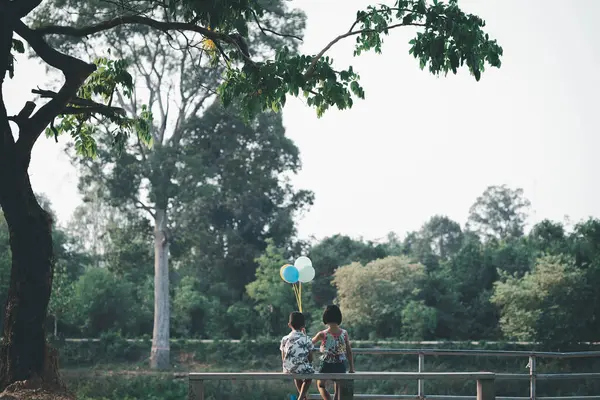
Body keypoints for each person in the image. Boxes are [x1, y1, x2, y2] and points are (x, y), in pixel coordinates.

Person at [312, 305, 354, 400]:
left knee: (320, 384)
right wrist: (351, 368)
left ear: (325, 317)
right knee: (338, 388)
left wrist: (304, 334)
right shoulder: (344, 333)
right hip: (340, 364)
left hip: (326, 364)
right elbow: (349, 351)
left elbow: (310, 343)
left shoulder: (322, 334)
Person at [280, 311, 314, 400]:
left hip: (288, 368)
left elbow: (283, 358)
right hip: (301, 368)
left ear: (289, 324)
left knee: (296, 375)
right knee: (309, 377)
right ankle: (301, 397)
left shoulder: (285, 339)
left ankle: (303, 398)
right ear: (303, 325)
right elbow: (310, 358)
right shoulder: (307, 339)